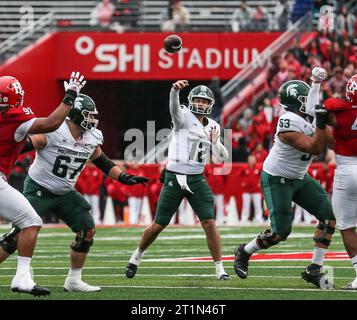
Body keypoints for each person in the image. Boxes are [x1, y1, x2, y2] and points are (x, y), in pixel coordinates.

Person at [0, 93, 149, 292]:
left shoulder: (91, 137)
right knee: (18, 236)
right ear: (76, 114)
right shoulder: (54, 131)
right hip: (39, 188)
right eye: (88, 115)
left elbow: (102, 161)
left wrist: (123, 177)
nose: (93, 119)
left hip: (65, 192)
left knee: (86, 230)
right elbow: (27, 144)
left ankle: (73, 280)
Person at [233, 67, 337, 289]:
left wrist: (325, 117)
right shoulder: (287, 121)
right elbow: (316, 147)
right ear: (293, 102)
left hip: (299, 176)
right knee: (281, 232)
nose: (308, 102)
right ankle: (245, 250)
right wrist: (320, 122)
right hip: (277, 178)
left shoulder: (305, 116)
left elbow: (333, 142)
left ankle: (315, 269)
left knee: (329, 218)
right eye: (303, 99)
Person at [125, 80, 230, 280]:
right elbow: (173, 108)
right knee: (159, 224)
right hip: (175, 175)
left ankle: (220, 268)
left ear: (210, 104)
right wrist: (174, 91)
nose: (200, 103)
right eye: (197, 99)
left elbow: (221, 157)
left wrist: (215, 142)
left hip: (197, 178)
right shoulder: (183, 116)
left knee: (209, 222)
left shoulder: (214, 125)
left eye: (204, 100)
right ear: (190, 100)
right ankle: (135, 257)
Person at [0, 71, 86, 296]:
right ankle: (22, 278)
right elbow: (52, 123)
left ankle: (23, 277)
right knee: (30, 221)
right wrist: (70, 95)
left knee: (29, 221)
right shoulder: (15, 117)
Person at [316, 73, 357, 289]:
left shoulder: (340, 112)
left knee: (347, 225)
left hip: (348, 169)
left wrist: (322, 123)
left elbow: (330, 142)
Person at [239, 155, 263, 224]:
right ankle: (244, 219)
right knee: (246, 205)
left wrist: (260, 183)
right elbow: (238, 177)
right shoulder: (244, 168)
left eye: (253, 159)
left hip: (256, 190)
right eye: (250, 159)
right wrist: (242, 183)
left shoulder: (258, 168)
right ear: (248, 160)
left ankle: (259, 218)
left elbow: (262, 177)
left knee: (257, 205)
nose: (251, 161)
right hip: (246, 190)